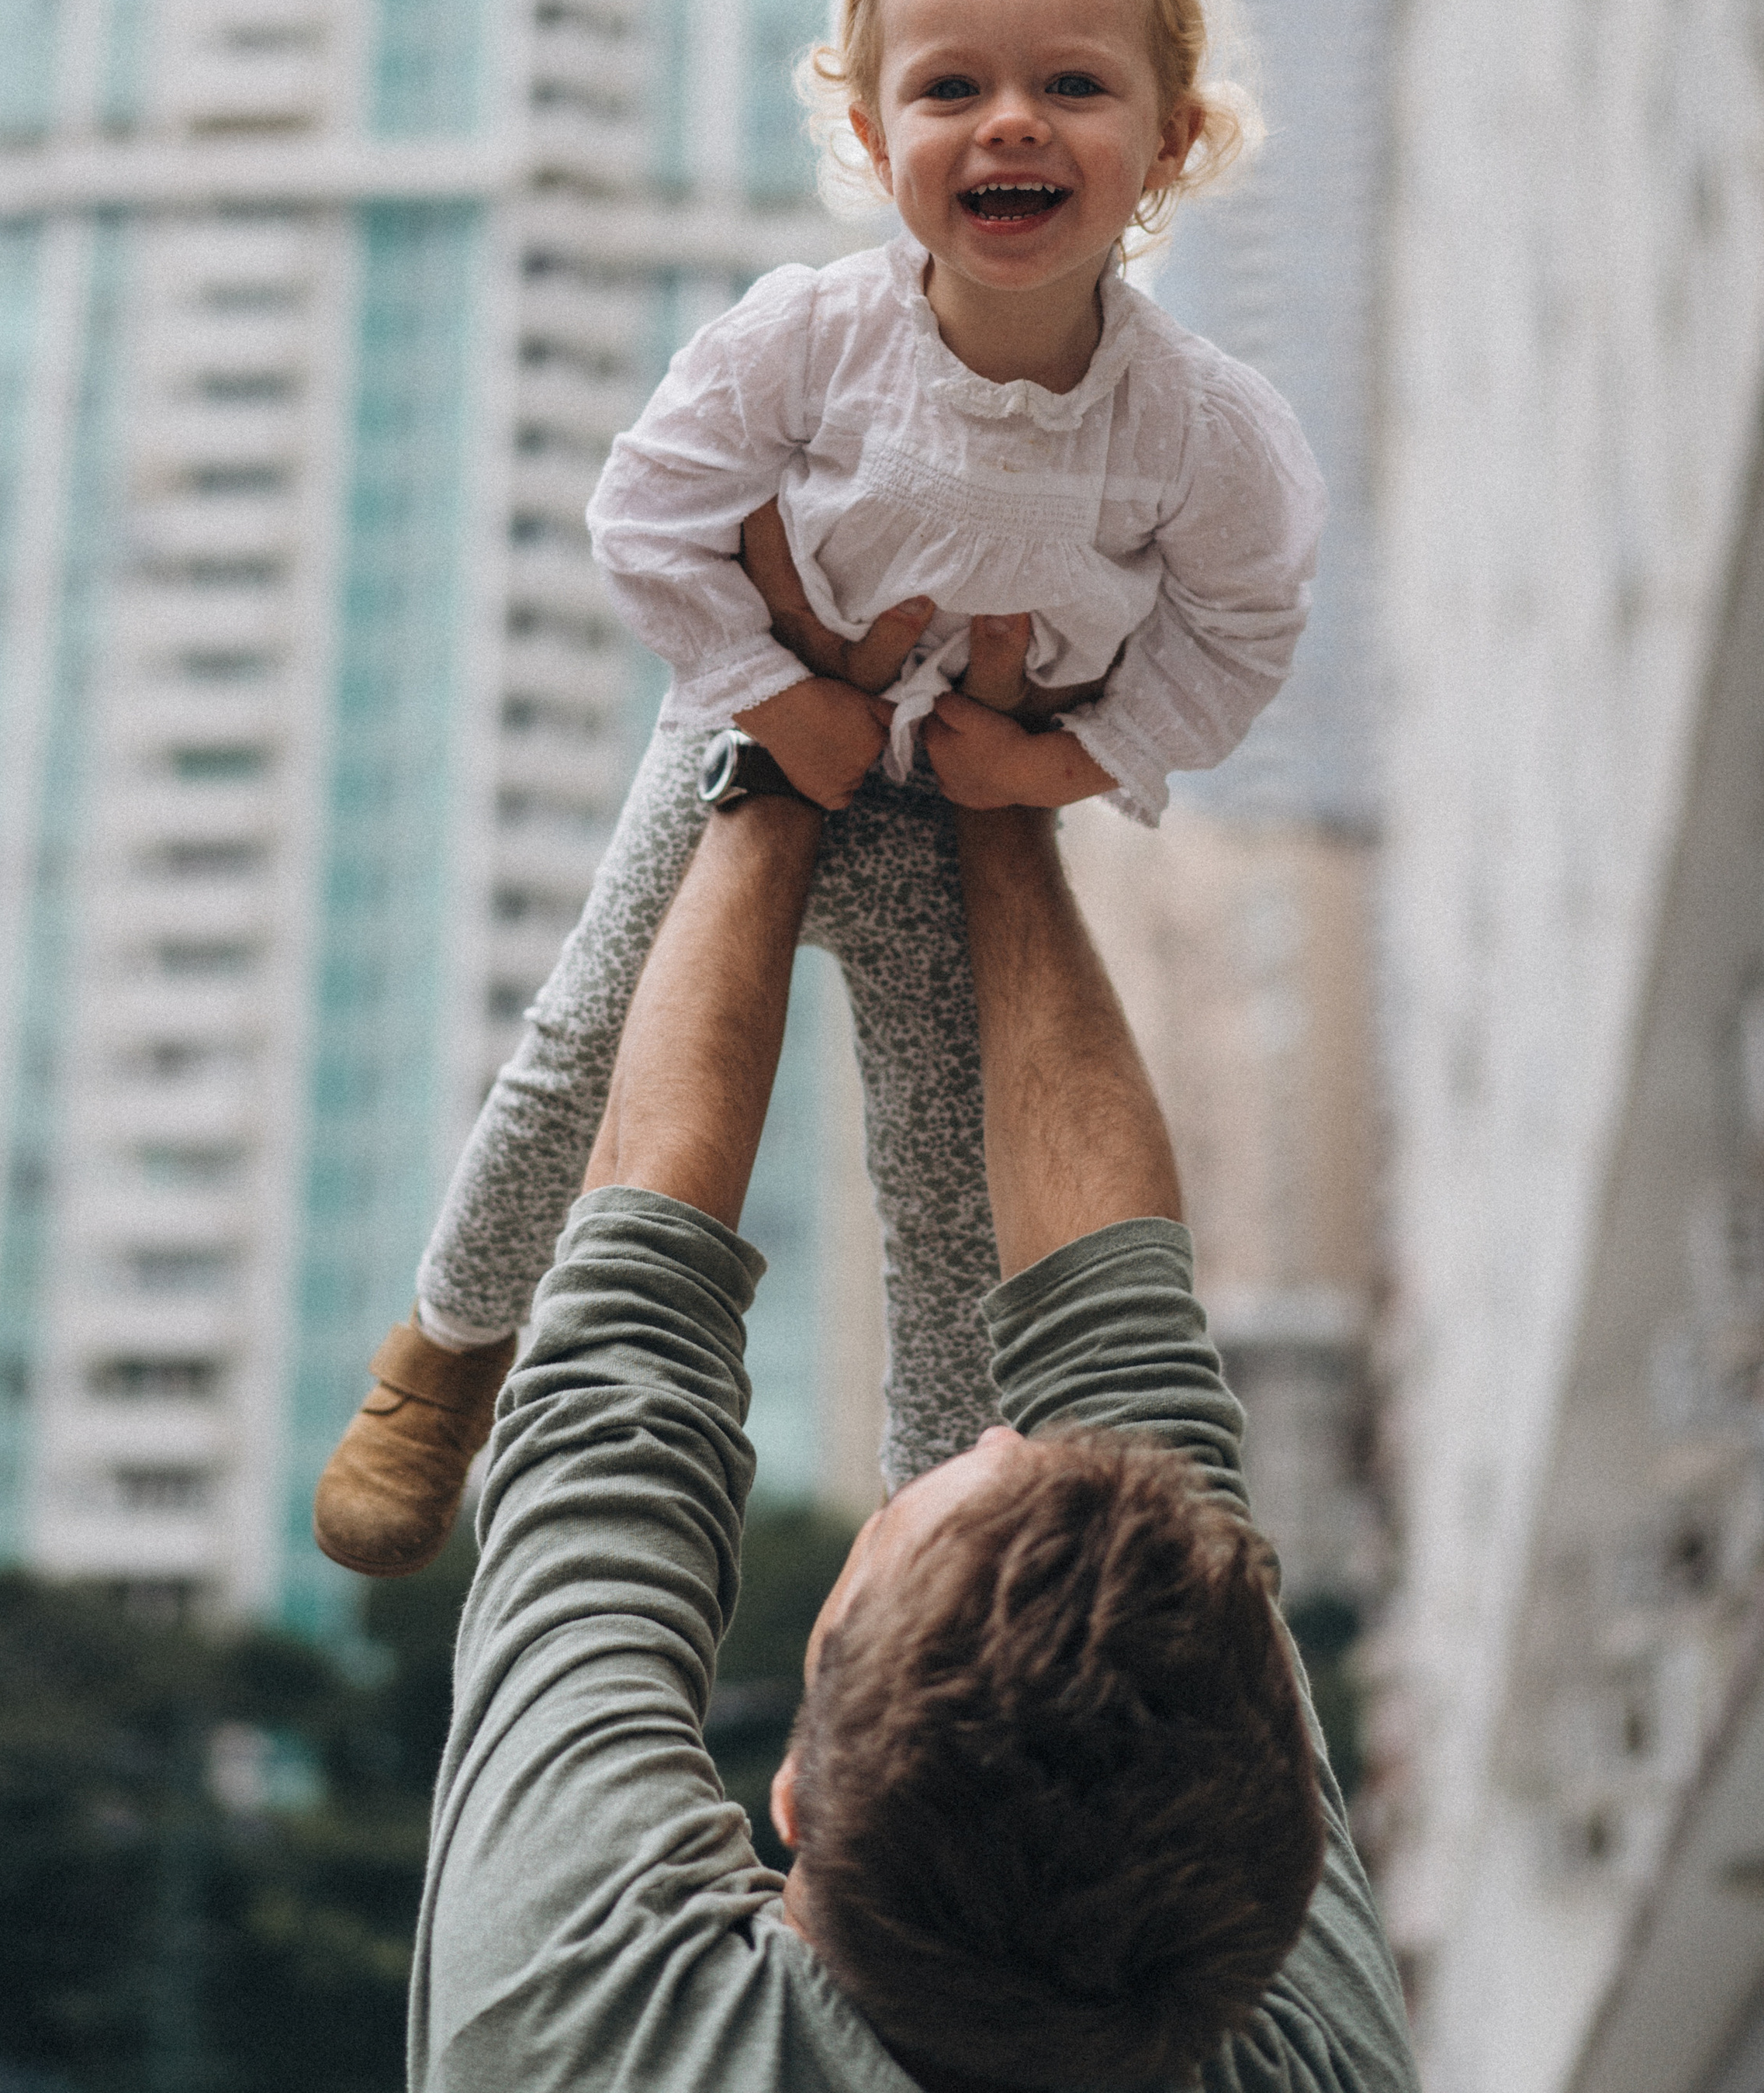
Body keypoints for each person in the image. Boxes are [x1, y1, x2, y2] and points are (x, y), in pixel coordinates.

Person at [315, 0, 1326, 1576]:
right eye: (951, 89)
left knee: (941, 1187)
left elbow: (1240, 634)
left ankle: (928, 1519)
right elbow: (645, 518)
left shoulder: (1200, 427)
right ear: (872, 139)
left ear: (1169, 145)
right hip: (744, 750)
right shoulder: (807, 336)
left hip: (959, 802)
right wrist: (774, 700)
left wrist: (1060, 760)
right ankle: (443, 1358)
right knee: (575, 1062)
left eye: (1071, 86)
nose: (1008, 125)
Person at [410, 782, 1416, 2090]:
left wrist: (767, 744)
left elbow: (619, 1373)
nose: (1003, 1442)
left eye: (919, 1523)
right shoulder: (571, 2048)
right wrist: (997, 805)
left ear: (793, 1798)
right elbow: (1136, 1367)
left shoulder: (573, 2014)